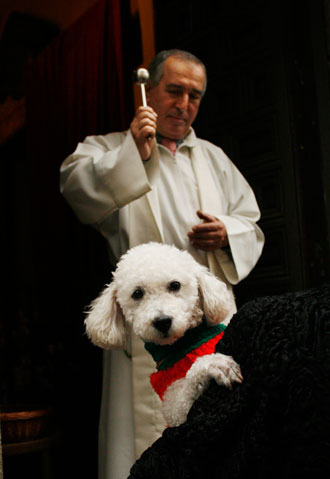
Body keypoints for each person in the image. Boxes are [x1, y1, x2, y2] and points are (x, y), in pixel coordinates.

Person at [60, 49, 264, 479]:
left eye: (195, 95)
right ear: (147, 90)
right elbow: (77, 188)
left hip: (204, 315)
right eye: (174, 91)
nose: (184, 104)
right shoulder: (108, 148)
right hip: (144, 324)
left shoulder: (214, 158)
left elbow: (251, 223)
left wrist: (227, 233)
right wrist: (134, 150)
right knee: (143, 438)